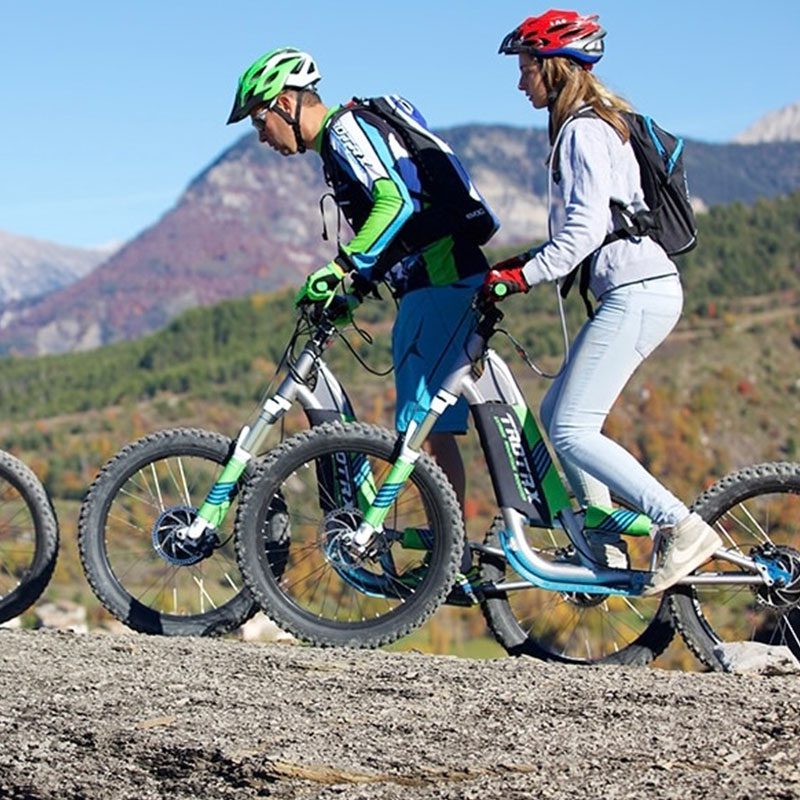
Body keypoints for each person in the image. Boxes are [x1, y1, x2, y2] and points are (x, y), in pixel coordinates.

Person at [227, 47, 497, 591]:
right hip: (433, 282)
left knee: (418, 431)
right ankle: (452, 552)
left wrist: (343, 266)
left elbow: (394, 203)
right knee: (430, 432)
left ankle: (445, 557)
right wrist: (355, 288)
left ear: (285, 103)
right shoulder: (339, 144)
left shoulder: (344, 130)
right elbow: (399, 225)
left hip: (439, 282)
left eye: (259, 120)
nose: (260, 137)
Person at [482, 10, 721, 594]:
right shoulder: (591, 126)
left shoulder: (584, 131)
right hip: (634, 290)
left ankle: (681, 526)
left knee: (570, 428)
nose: (520, 82)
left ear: (553, 68)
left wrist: (522, 276)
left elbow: (585, 232)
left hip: (638, 292)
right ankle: (602, 535)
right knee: (557, 414)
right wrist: (519, 266)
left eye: (526, 68)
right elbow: (595, 227)